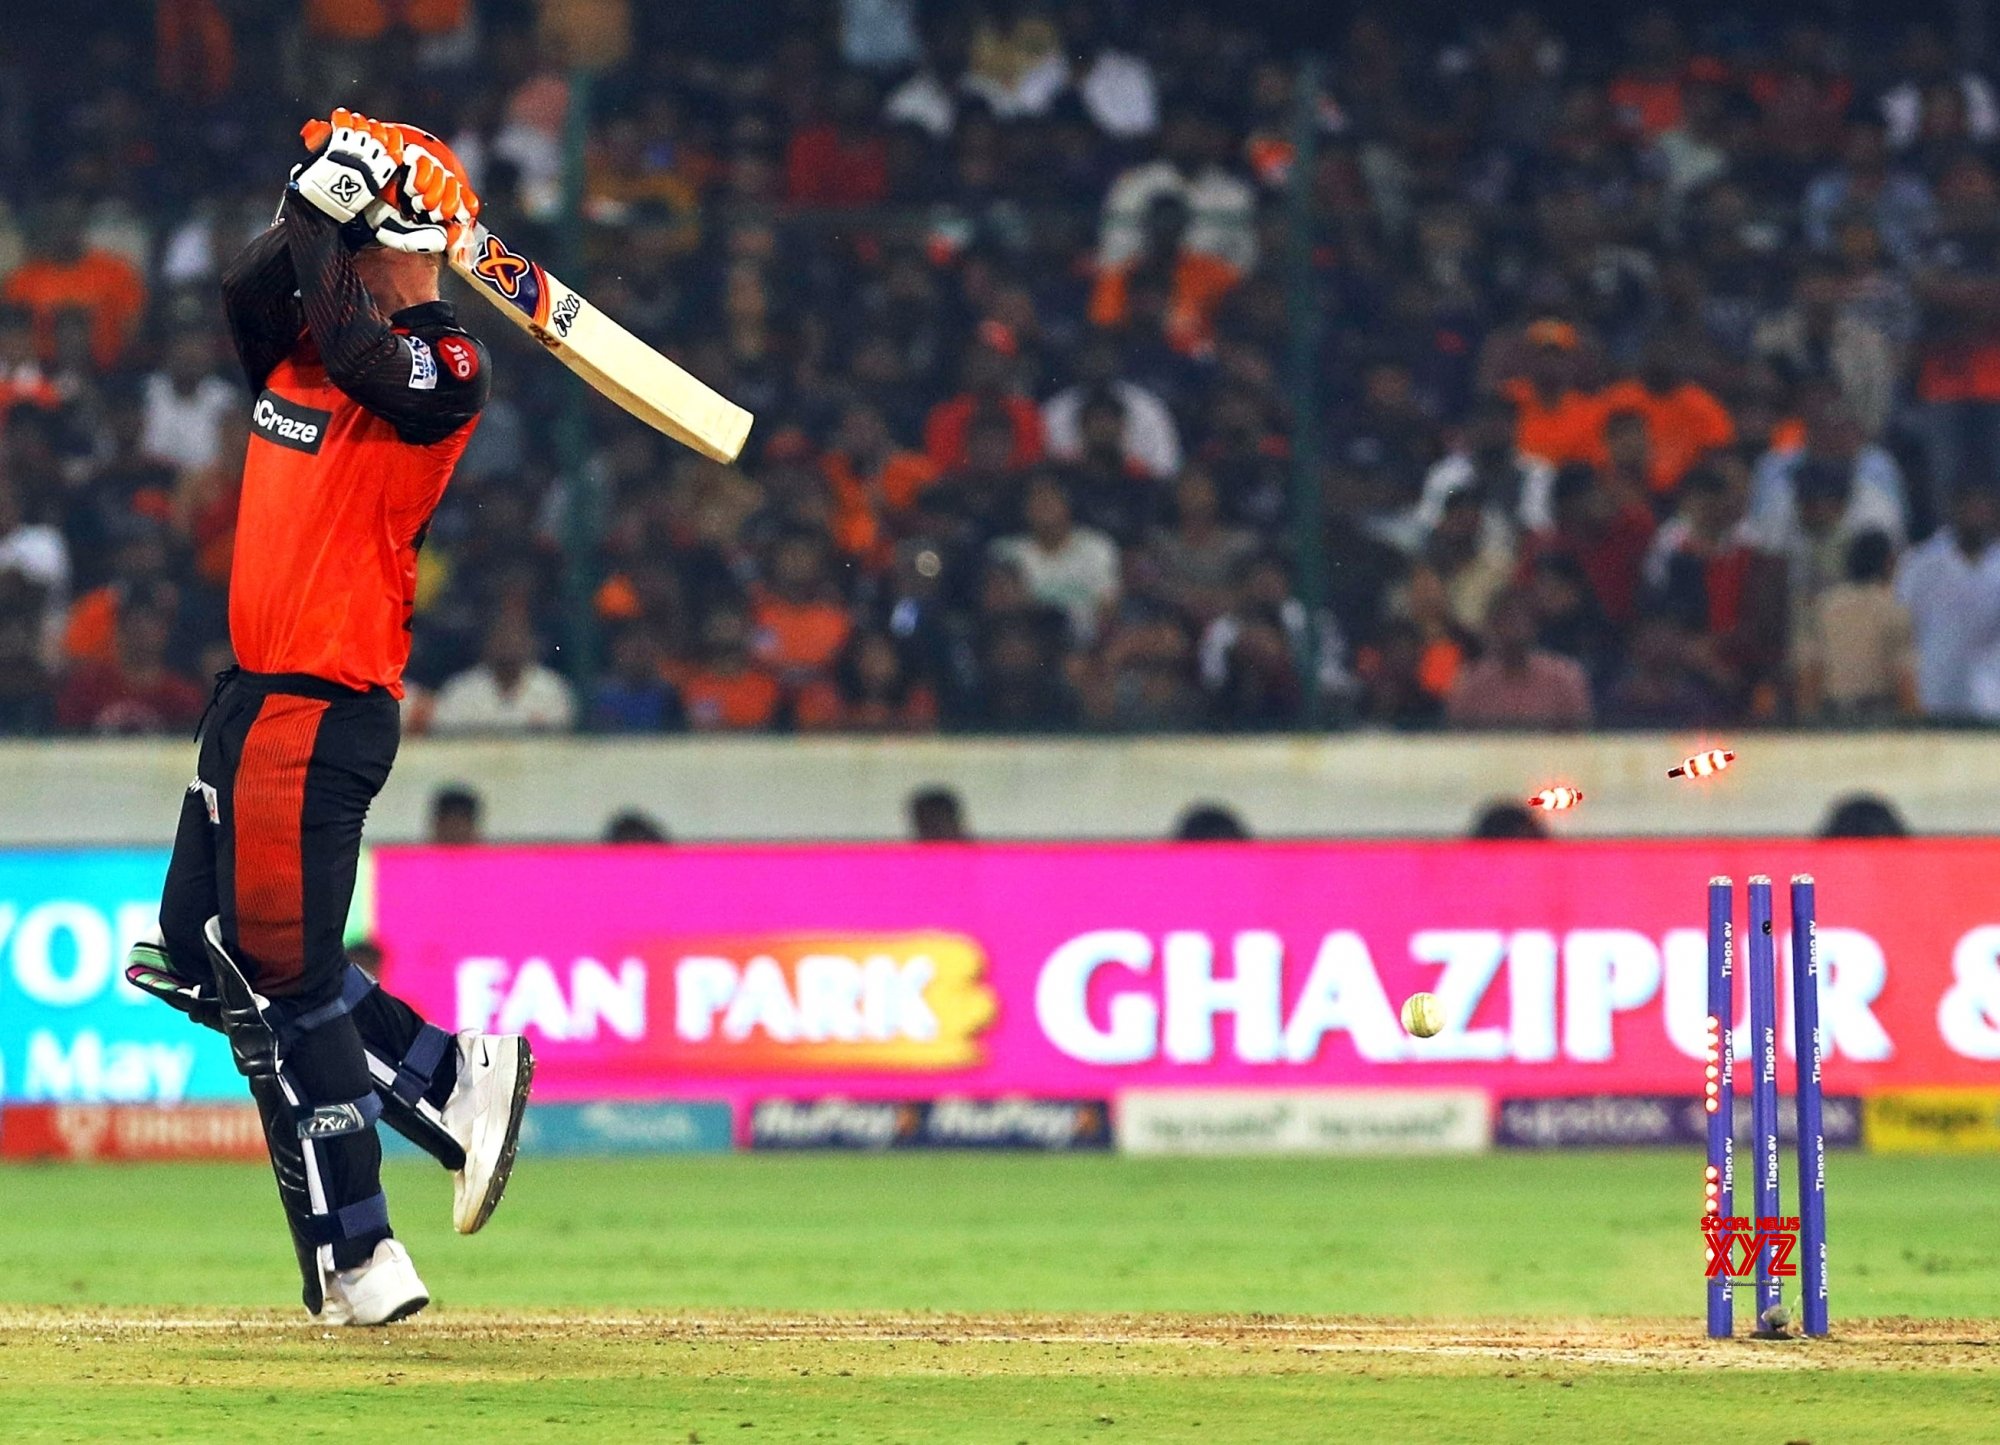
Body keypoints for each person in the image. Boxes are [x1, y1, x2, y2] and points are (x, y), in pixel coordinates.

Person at [122, 113, 532, 1327]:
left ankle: (364, 1254)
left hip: (325, 694)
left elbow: (369, 362)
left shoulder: (447, 361)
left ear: (391, 235)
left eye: (351, 228)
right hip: (252, 692)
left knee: (284, 976)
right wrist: (309, 197)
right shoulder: (297, 340)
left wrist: (326, 215)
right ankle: (439, 1088)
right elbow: (252, 286)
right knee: (204, 947)